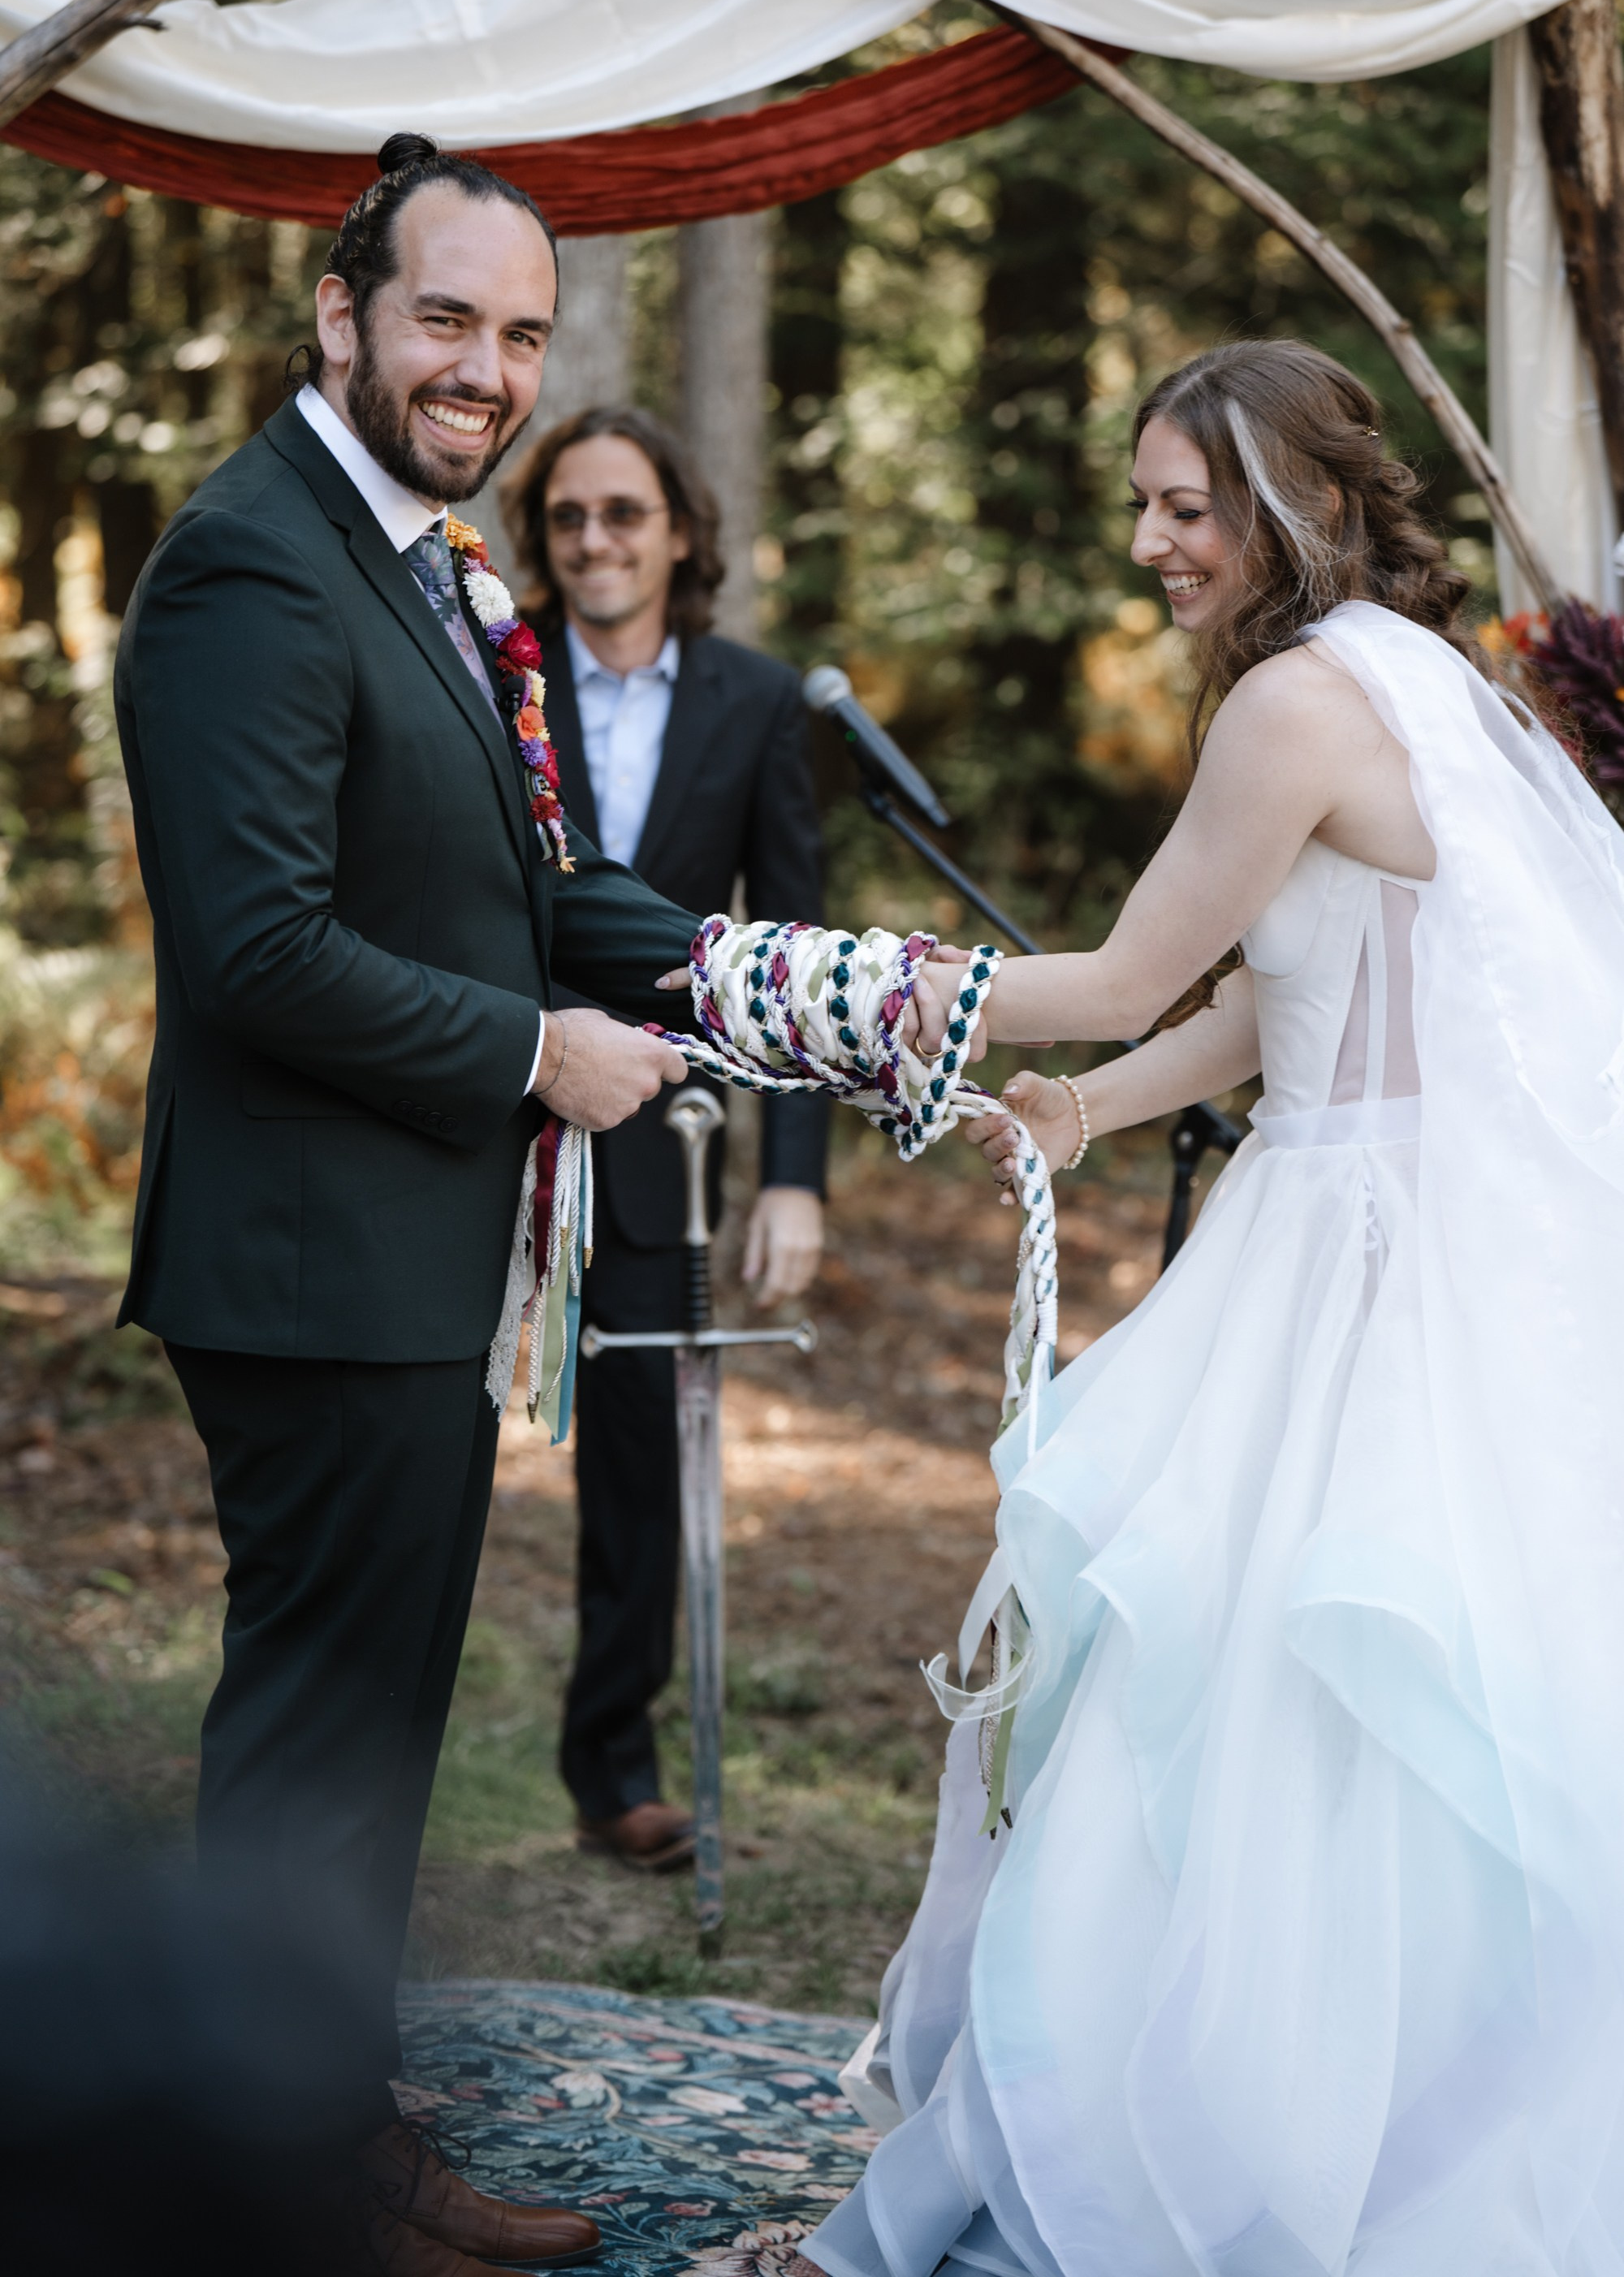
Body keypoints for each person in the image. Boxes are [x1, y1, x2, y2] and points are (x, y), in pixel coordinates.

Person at [797, 339, 1624, 2276]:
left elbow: (1119, 968)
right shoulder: (1413, 686)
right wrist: (1096, 1110)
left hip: (1345, 1267)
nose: (1153, 544)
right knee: (1341, 1714)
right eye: (1146, 506)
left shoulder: (1284, 706)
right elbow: (1284, 980)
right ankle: (1351, 2126)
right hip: (1400, 1228)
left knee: (1242, 1698)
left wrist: (828, 991)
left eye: (1189, 506)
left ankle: (1210, 2153)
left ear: (1305, 509)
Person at [114, 133, 704, 2276]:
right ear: (342, 318)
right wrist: (539, 1052)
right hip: (310, 1261)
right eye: (448, 317)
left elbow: (523, 887)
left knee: (363, 1735)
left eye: (523, 334)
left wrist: (745, 972)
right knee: (319, 1741)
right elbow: (255, 946)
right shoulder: (254, 562)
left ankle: (309, 2136)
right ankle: (279, 2179)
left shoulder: (421, 557)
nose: (488, 368)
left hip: (396, 1255)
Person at [500, 407, 827, 1873]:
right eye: (569, 518)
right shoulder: (490, 686)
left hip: (657, 1152)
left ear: (680, 533)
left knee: (640, 1469)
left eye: (623, 514)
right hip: (471, 1104)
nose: (594, 542)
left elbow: (798, 949)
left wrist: (794, 1178)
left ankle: (613, 1768)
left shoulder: (760, 705)